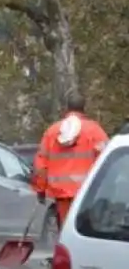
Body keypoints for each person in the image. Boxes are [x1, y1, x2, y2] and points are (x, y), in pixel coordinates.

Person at [33, 92, 108, 230]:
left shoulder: (52, 131)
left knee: (66, 230)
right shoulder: (94, 131)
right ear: (84, 108)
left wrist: (40, 189)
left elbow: (41, 163)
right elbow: (106, 161)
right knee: (85, 231)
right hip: (87, 194)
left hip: (61, 194)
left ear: (66, 108)